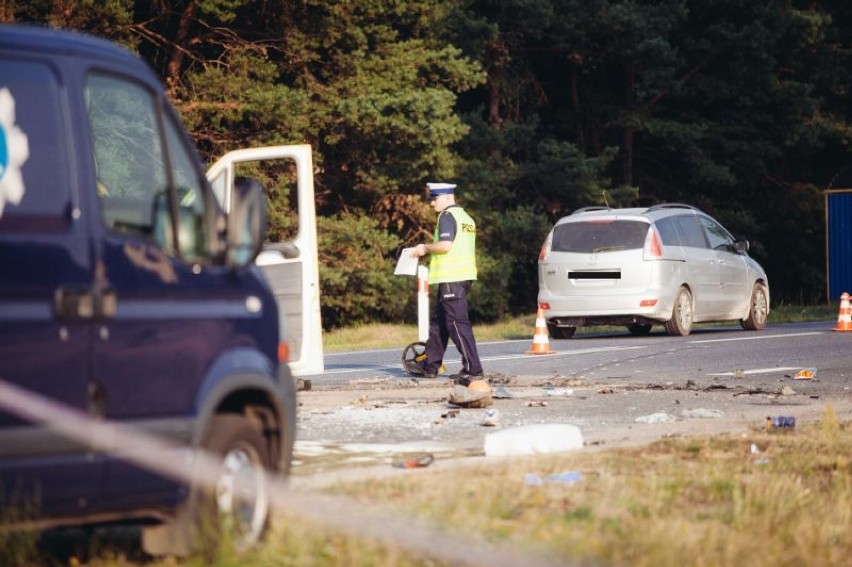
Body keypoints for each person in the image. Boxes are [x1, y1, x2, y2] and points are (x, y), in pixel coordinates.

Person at [407, 182, 484, 384]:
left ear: (447, 197)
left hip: (452, 278)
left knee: (457, 324)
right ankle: (430, 365)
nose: (432, 204)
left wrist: (424, 248)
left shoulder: (447, 216)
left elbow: (445, 245)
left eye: (435, 199)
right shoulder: (466, 218)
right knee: (439, 323)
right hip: (461, 277)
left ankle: (473, 369)